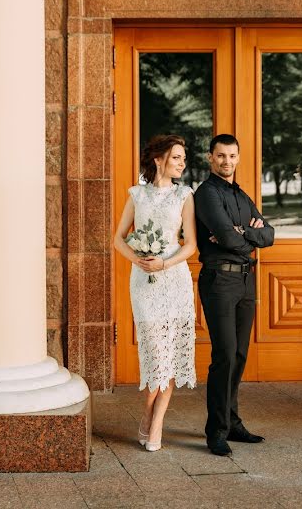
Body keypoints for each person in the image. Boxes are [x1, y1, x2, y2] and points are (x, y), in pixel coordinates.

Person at [112, 134, 198, 452]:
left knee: (171, 354)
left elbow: (190, 244)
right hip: (144, 282)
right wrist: (139, 259)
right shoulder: (137, 195)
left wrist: (164, 263)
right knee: (154, 353)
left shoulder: (185, 196)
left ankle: (155, 422)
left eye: (183, 158)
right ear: (159, 159)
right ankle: (148, 414)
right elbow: (119, 238)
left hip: (174, 280)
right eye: (176, 157)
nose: (182, 163)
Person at [194, 133, 275, 456]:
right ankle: (215, 431)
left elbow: (269, 234)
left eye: (232, 156)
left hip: (245, 282)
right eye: (221, 156)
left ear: (238, 158)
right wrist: (243, 237)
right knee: (225, 355)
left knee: (240, 355)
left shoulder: (241, 195)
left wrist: (247, 233)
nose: (226, 161)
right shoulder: (206, 193)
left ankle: (232, 421)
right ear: (210, 158)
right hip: (219, 282)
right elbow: (226, 236)